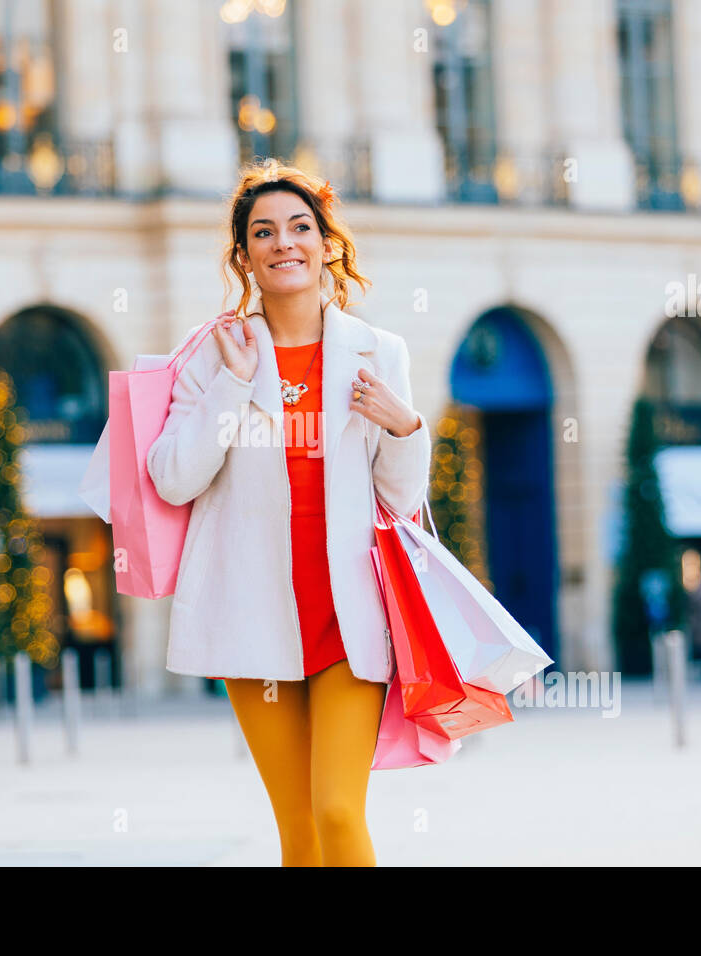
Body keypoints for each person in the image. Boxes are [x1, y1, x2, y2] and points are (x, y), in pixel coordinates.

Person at [146, 160, 431, 866]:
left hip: (348, 624)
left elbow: (399, 504)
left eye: (300, 227)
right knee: (298, 832)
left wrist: (405, 430)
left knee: (337, 811)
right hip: (254, 620)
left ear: (327, 243)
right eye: (263, 232)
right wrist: (234, 387)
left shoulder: (379, 353)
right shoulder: (214, 359)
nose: (284, 243)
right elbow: (174, 479)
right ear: (243, 255)